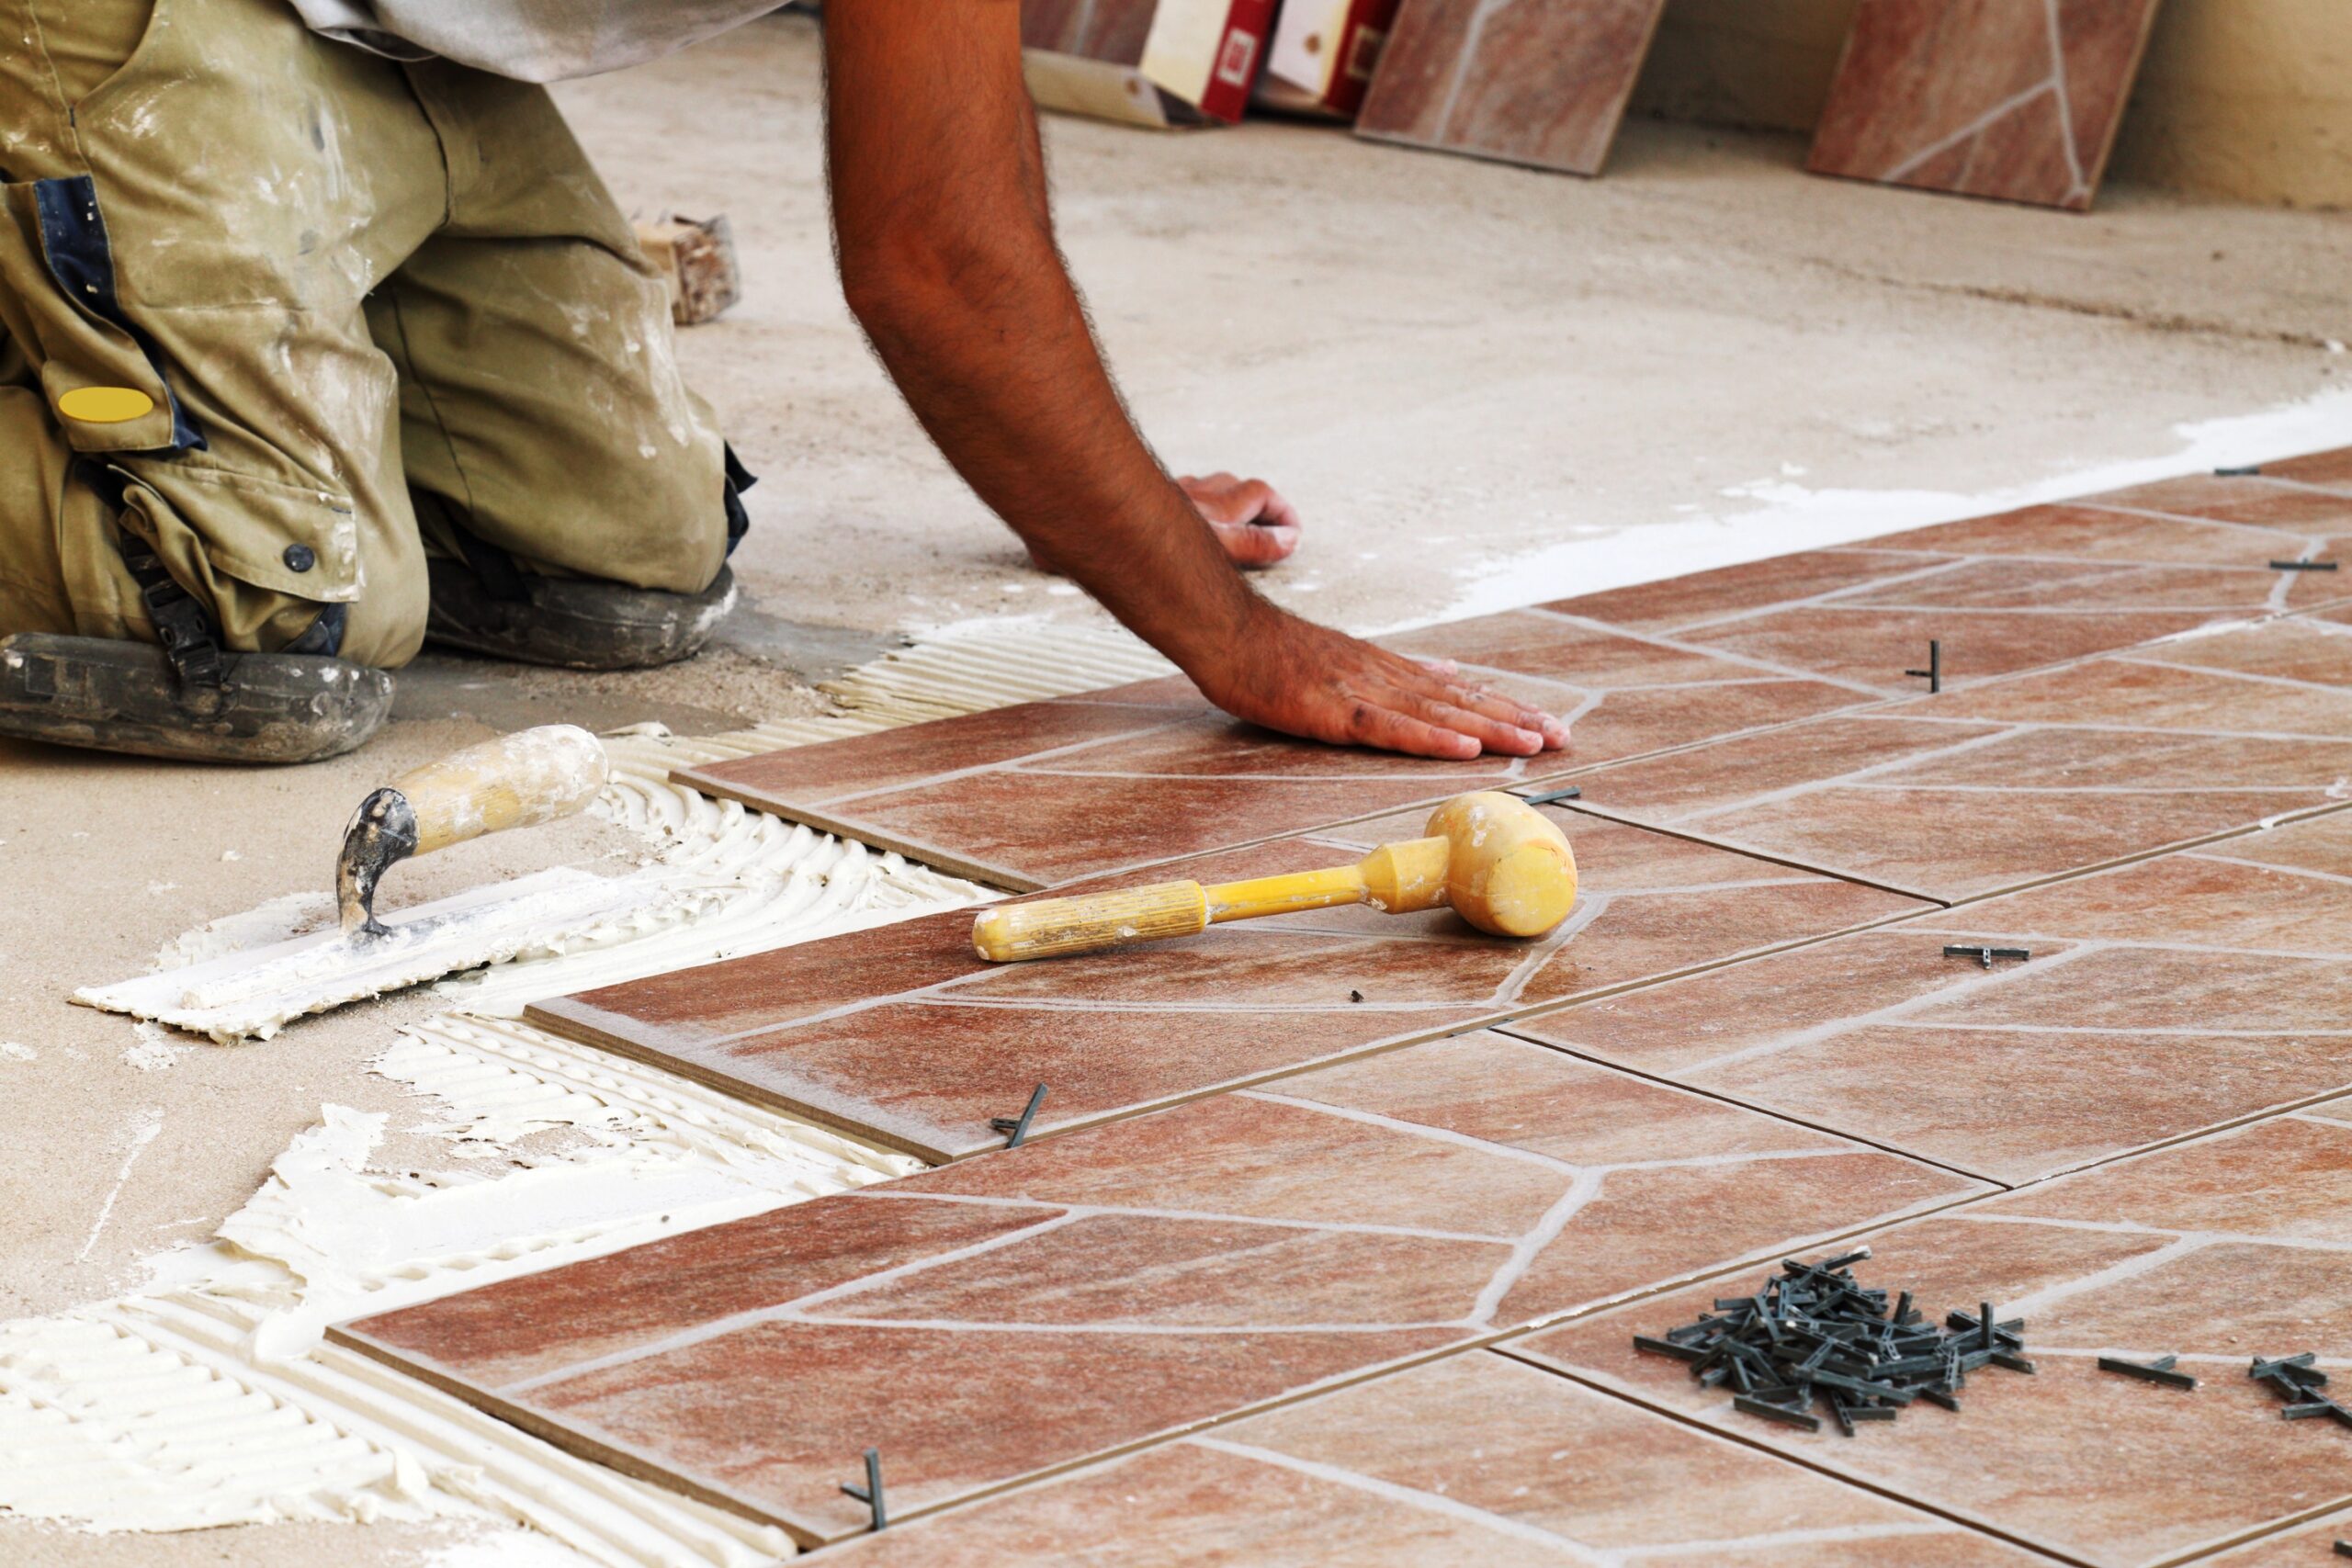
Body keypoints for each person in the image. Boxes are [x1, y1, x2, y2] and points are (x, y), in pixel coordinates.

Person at [0, 0, 1570, 764]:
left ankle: (129, 351)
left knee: (618, 569)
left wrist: (1106, 500)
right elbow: (938, 261)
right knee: (269, 611)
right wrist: (1231, 640)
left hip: (388, 34)